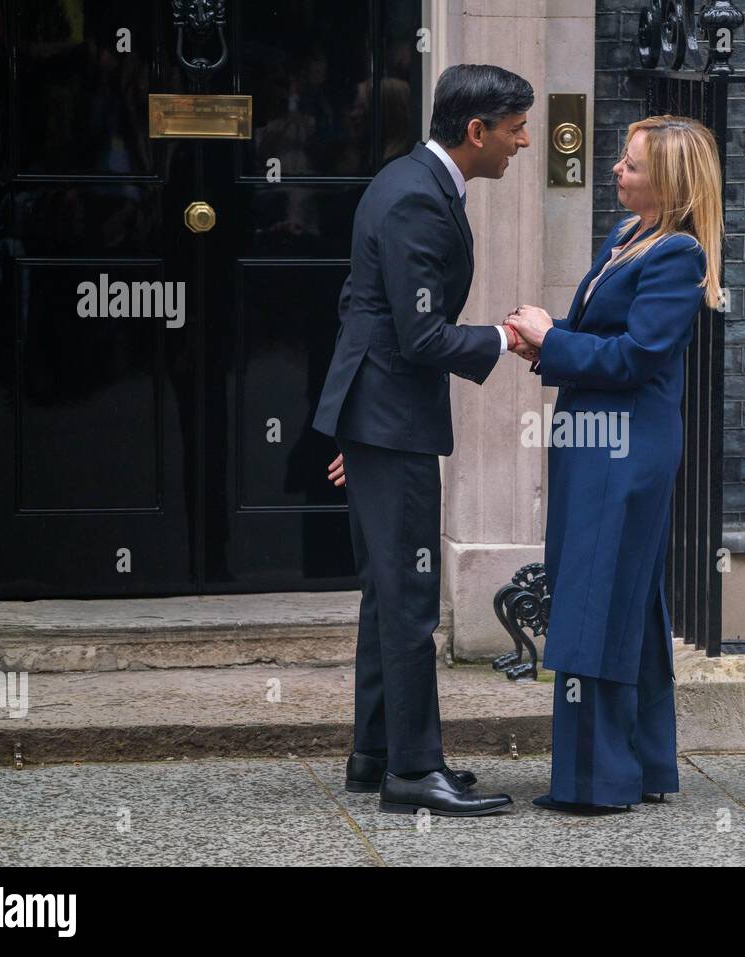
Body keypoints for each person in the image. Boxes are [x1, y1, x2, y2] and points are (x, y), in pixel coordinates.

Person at [312, 64, 536, 817]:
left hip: (380, 422)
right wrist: (506, 337)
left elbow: (359, 305)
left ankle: (376, 756)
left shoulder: (403, 178)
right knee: (408, 600)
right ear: (475, 131)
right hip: (393, 426)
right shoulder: (417, 196)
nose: (523, 142)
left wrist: (356, 419)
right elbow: (419, 334)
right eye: (513, 130)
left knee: (386, 593)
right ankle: (413, 771)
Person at [505, 115, 724, 813]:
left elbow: (637, 358)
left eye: (629, 166)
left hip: (625, 450)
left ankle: (596, 782)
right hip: (596, 439)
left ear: (667, 180)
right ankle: (647, 764)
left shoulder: (678, 256)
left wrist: (552, 341)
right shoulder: (627, 238)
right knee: (623, 595)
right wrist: (547, 339)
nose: (616, 173)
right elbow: (605, 339)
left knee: (597, 599)